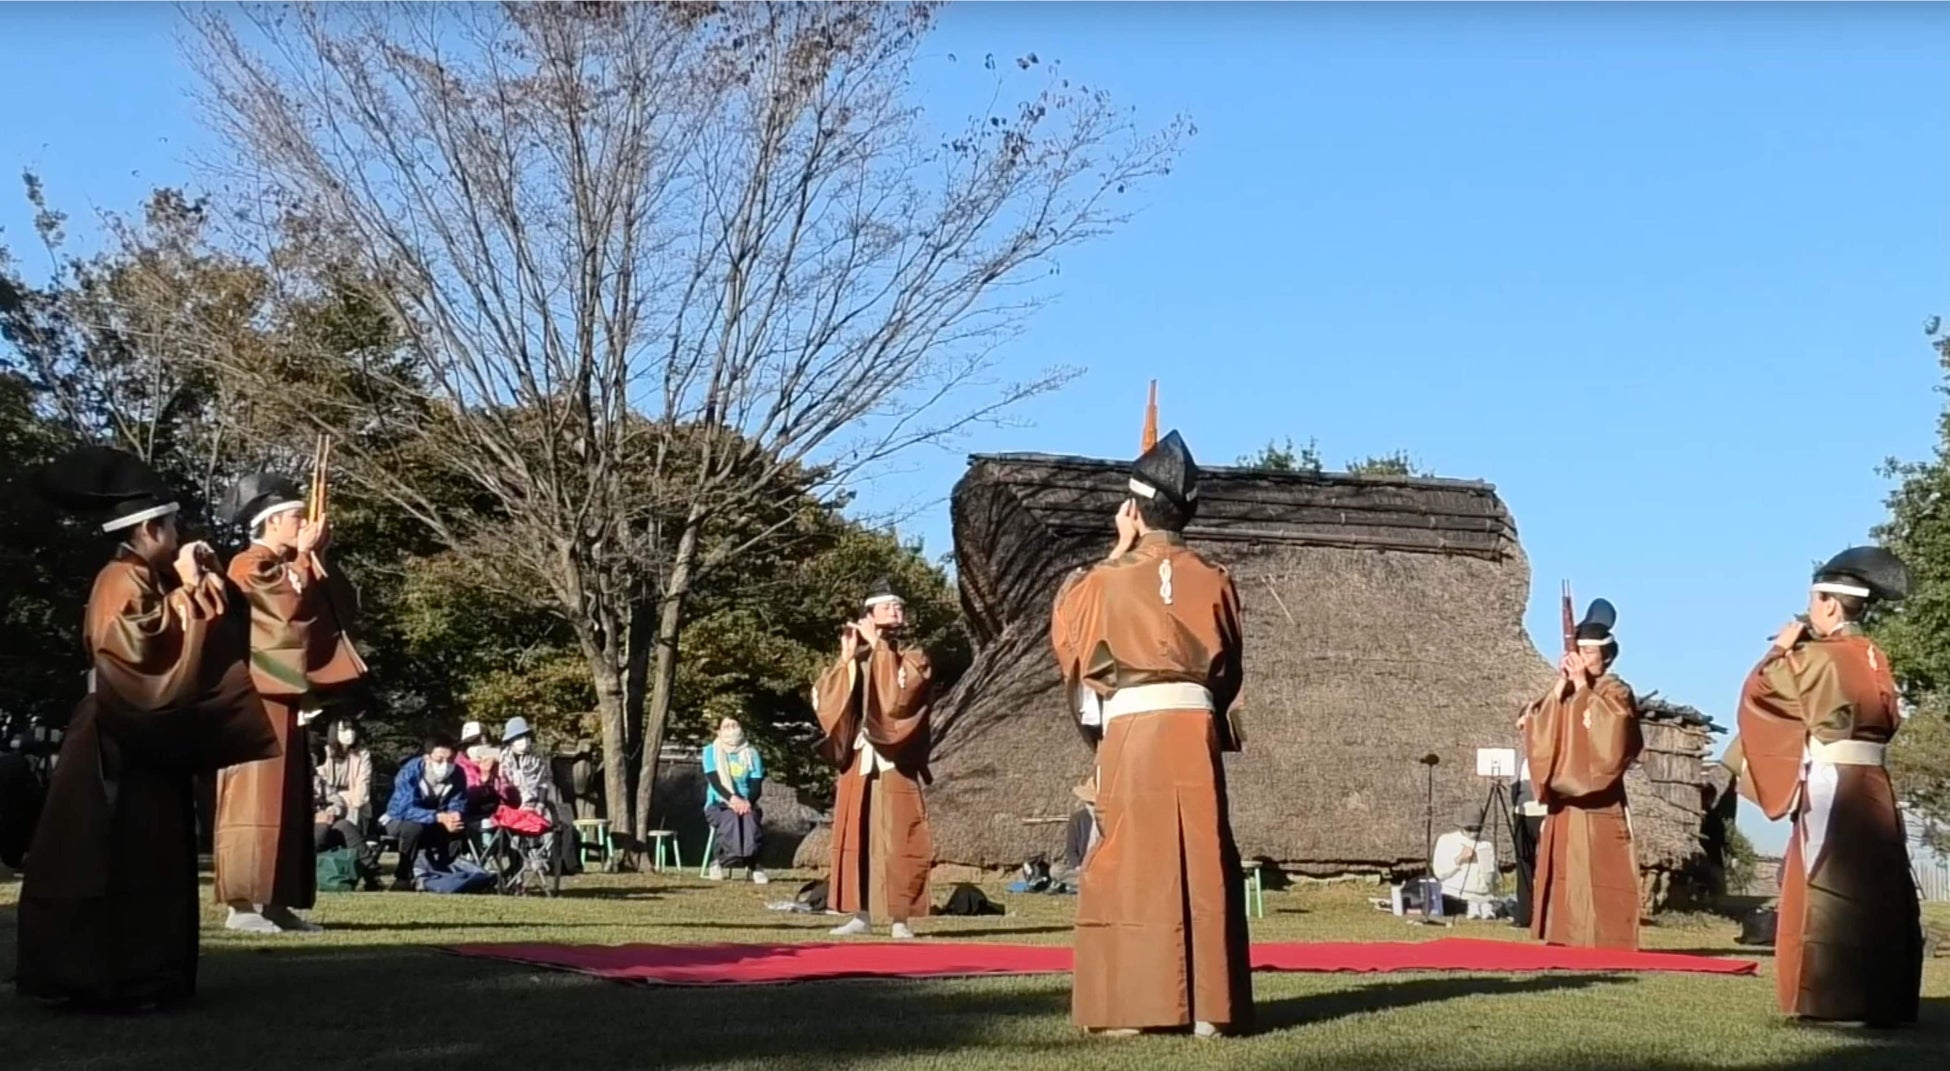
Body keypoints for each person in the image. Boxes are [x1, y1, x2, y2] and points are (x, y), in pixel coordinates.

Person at [14, 446, 278, 1009]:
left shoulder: (140, 576)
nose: (179, 536)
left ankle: (144, 974)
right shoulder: (120, 579)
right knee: (113, 855)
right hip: (115, 736)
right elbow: (139, 650)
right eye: (172, 527)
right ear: (149, 530)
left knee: (146, 856)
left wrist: (199, 583)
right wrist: (189, 591)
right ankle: (110, 977)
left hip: (135, 737)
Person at [1050, 429, 1252, 1038]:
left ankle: (1137, 1008)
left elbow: (1071, 637)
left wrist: (1118, 551)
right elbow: (1231, 667)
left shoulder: (1104, 581)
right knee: (1202, 853)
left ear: (1134, 510)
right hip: (1195, 724)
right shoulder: (1216, 578)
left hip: (1135, 725)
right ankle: (1211, 1008)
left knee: (1132, 859)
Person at [1724, 546, 1922, 1026]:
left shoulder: (1816, 657)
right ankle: (1883, 999)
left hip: (1833, 782)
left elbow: (1761, 692)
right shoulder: (1874, 656)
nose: (1810, 610)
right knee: (1880, 885)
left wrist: (1780, 649)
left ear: (1831, 604)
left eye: (1815, 601)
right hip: (1874, 782)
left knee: (1827, 883)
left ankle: (1831, 999)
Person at [213, 472, 365, 934]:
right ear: (272, 521)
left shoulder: (288, 563)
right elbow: (282, 615)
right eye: (297, 517)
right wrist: (303, 558)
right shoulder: (247, 564)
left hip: (285, 697)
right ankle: (243, 905)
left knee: (289, 799)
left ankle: (278, 902)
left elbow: (337, 609)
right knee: (254, 800)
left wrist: (317, 557)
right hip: (256, 698)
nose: (304, 524)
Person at [812, 577, 935, 939]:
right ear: (869, 614)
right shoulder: (860, 656)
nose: (895, 611)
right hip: (858, 756)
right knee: (856, 834)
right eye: (887, 606)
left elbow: (899, 697)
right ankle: (859, 914)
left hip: (895, 758)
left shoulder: (914, 655)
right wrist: (846, 660)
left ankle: (900, 919)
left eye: (899, 606)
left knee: (899, 837)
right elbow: (826, 703)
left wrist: (879, 648)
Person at [1520, 598, 1643, 950]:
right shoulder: (1568, 690)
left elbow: (1612, 732)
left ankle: (1606, 939)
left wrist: (1582, 689)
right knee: (1563, 867)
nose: (1582, 659)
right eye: (1579, 652)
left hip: (1598, 800)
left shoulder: (1615, 690)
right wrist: (1562, 687)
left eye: (1589, 653)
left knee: (1600, 867)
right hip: (1564, 802)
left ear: (1606, 657)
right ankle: (1562, 935)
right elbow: (1537, 721)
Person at [381, 733, 469, 891]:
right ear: (427, 757)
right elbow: (404, 809)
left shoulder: (458, 774)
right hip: (398, 821)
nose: (445, 765)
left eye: (450, 760)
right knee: (413, 827)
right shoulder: (410, 771)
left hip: (437, 822)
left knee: (458, 826)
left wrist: (455, 814)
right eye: (439, 760)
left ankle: (443, 874)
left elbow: (458, 800)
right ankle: (403, 876)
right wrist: (438, 816)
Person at [702, 716, 768, 883]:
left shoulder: (751, 753)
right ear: (718, 731)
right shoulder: (710, 751)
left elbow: (756, 784)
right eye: (727, 726)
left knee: (750, 818)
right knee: (730, 817)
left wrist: (747, 802)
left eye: (734, 725)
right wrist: (733, 799)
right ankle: (719, 861)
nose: (731, 729)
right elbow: (714, 781)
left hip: (746, 804)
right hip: (719, 803)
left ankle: (754, 865)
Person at [315, 718, 376, 889]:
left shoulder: (362, 754)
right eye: (344, 730)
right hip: (324, 807)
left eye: (352, 730)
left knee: (348, 824)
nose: (350, 734)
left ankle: (371, 872)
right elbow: (321, 784)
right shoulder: (323, 754)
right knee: (339, 826)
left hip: (346, 801)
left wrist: (348, 805)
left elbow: (363, 781)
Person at [1431, 809, 1499, 919]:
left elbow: (1491, 878)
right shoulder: (1446, 840)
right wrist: (1460, 858)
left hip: (1482, 895)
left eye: (1478, 829)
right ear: (1462, 827)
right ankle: (1471, 908)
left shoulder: (1486, 844)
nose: (1474, 833)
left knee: (1487, 904)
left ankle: (1484, 909)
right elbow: (1439, 873)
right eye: (1470, 829)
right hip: (1455, 894)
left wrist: (1485, 862)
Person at [1508, 756, 1547, 928]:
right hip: (1521, 813)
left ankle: (1547, 914)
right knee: (1523, 862)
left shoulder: (1550, 755)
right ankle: (1523, 915)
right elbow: (1514, 786)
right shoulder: (1520, 759)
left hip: (1545, 812)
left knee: (1548, 863)